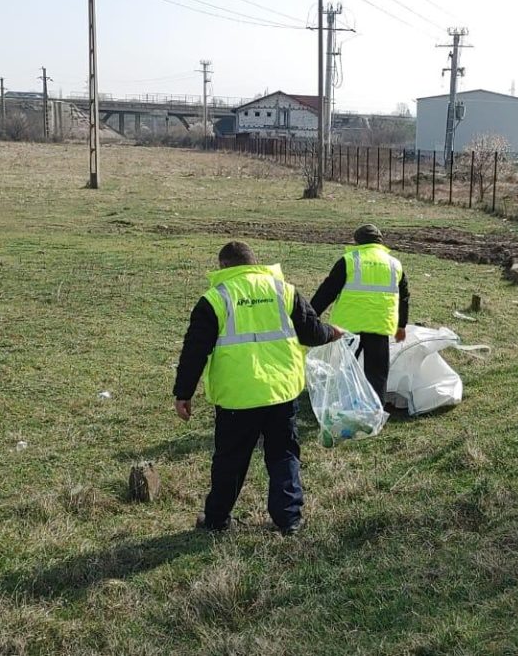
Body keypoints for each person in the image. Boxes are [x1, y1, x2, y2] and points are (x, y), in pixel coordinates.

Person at [173, 241, 343, 536]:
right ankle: (289, 519)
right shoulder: (283, 290)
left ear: (224, 266)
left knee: (230, 459)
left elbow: (194, 350)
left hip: (238, 397)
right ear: (254, 262)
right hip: (281, 391)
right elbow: (311, 332)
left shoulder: (215, 298)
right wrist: (332, 332)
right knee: (283, 455)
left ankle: (216, 519)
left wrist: (183, 393)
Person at [309, 224, 410, 407]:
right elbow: (404, 297)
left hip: (348, 326)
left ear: (357, 242)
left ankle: (343, 407)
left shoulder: (349, 260)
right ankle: (375, 410)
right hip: (379, 325)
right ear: (380, 242)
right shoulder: (395, 264)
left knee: (346, 369)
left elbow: (327, 291)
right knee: (377, 373)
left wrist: (310, 316)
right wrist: (401, 325)